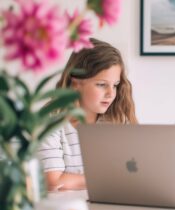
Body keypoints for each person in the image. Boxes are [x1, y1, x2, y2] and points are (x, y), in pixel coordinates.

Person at [37, 38, 137, 191]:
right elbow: (54, 181)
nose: (111, 93)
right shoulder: (51, 121)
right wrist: (110, 178)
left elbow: (132, 172)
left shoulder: (116, 120)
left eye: (115, 85)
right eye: (102, 85)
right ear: (76, 83)